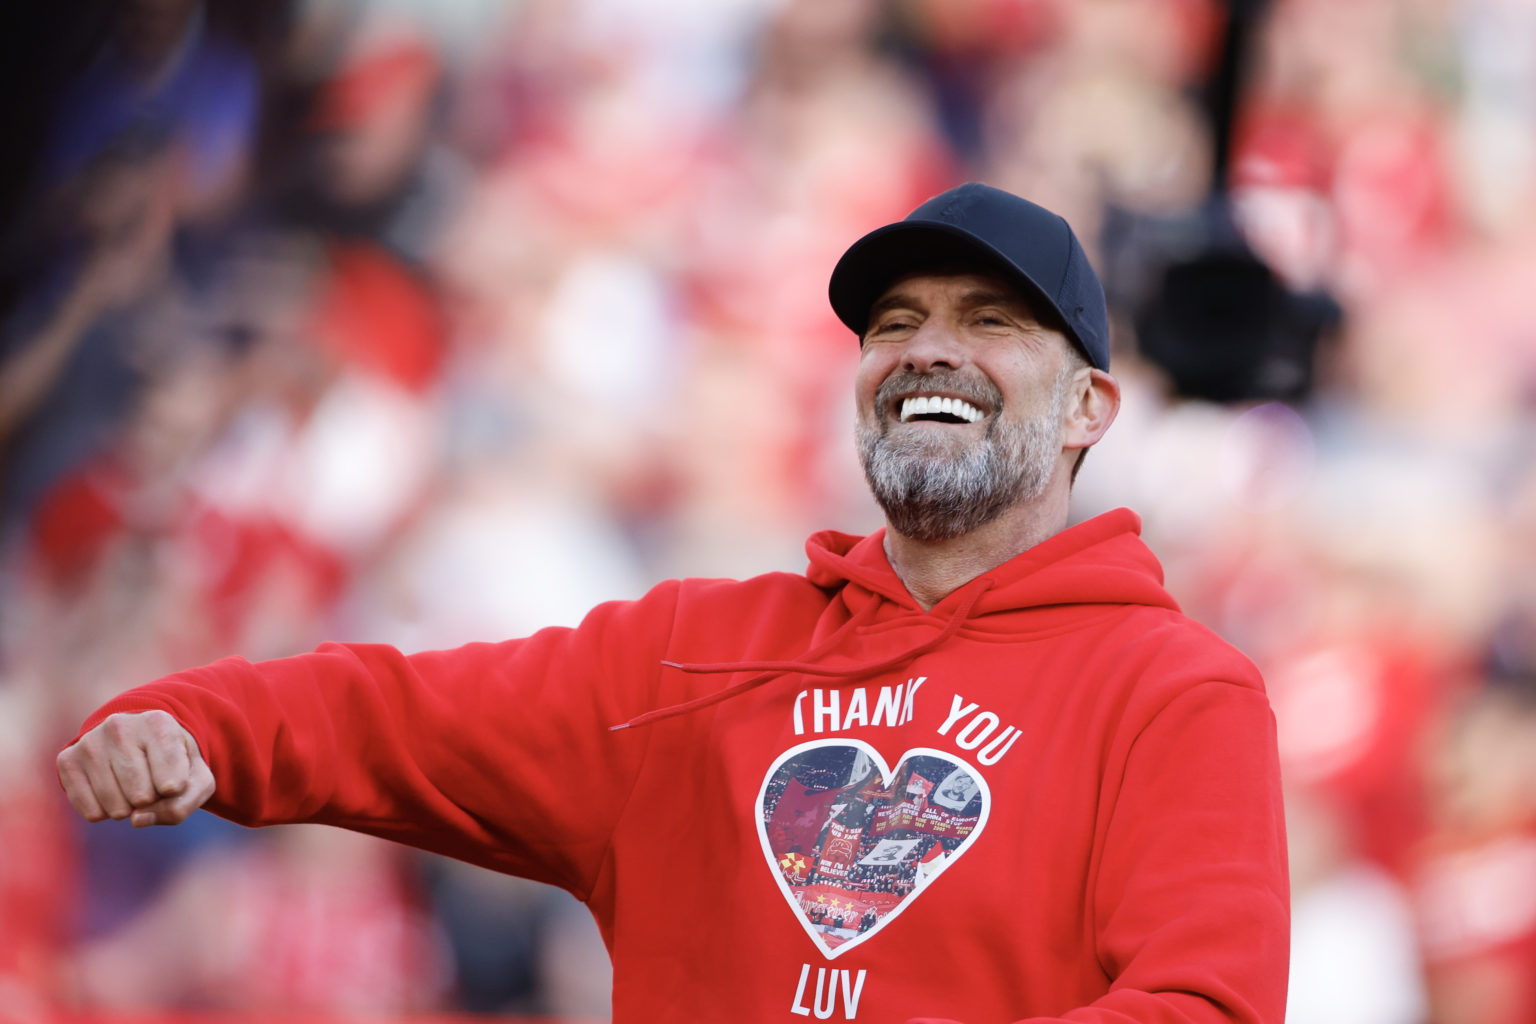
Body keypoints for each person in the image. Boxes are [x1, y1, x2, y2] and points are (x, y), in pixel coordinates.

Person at [57, 183, 1289, 1023]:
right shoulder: (697, 652)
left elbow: (1202, 1005)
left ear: (1088, 410)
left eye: (992, 321)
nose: (927, 349)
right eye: (895, 322)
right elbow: (406, 711)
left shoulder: (1177, 694)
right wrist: (200, 724)